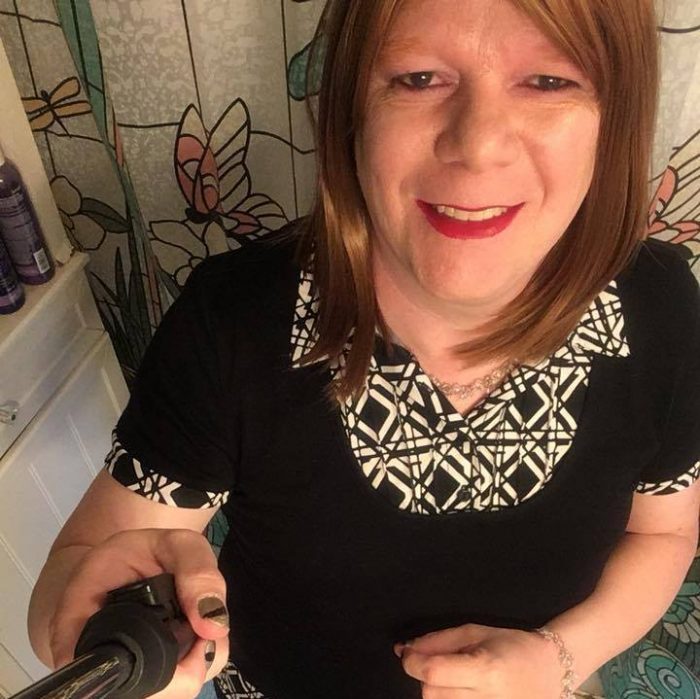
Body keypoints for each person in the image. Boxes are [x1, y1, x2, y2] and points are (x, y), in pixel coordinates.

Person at [28, 1, 700, 698]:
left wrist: (556, 660)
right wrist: (95, 633)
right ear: (353, 109)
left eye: (549, 81)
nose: (477, 144)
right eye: (418, 78)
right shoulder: (236, 320)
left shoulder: (661, 307)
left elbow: (663, 535)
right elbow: (74, 580)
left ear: (614, 118)